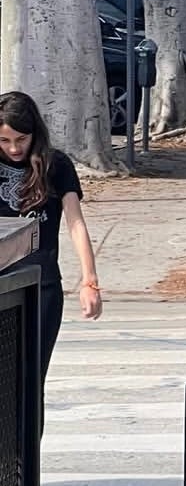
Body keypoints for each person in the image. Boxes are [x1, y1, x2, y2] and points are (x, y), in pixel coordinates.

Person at [0, 91, 102, 398]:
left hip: (40, 286)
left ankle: (31, 432)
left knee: (30, 383)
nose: (14, 148)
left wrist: (89, 282)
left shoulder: (55, 165)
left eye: (21, 139)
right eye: (4, 141)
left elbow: (75, 223)